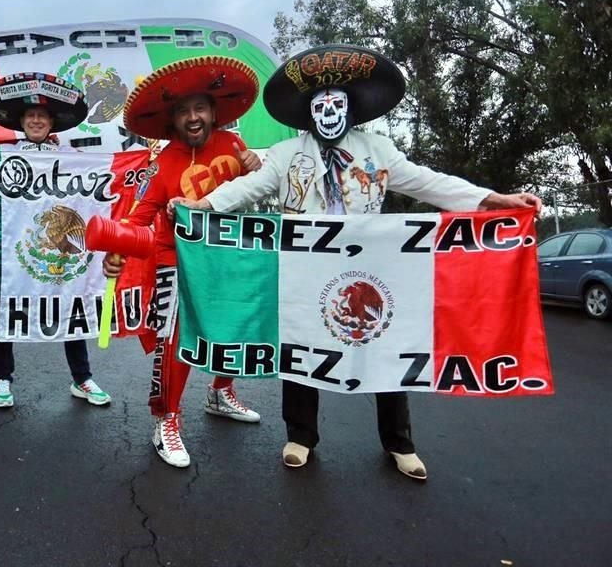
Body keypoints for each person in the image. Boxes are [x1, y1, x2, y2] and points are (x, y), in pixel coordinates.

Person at [170, 44, 543, 480]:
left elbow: (428, 183)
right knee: (301, 350)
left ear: (351, 108)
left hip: (370, 269)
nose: (329, 112)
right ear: (308, 113)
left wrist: (492, 199)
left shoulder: (378, 150)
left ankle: (399, 443)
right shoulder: (285, 155)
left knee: (385, 344)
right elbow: (246, 190)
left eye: (337, 104)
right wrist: (200, 205)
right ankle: (301, 436)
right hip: (306, 272)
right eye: (320, 105)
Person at [102, 56, 265, 468]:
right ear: (173, 120)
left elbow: (256, 191)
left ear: (213, 113)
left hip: (227, 257)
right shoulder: (163, 165)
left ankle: (220, 392)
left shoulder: (233, 145)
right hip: (177, 262)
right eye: (182, 111)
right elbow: (138, 218)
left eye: (200, 108)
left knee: (234, 330)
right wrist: (116, 250)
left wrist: (257, 166)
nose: (193, 117)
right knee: (174, 341)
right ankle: (166, 419)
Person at [0, 72, 111, 408]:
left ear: (51, 122)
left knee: (72, 301)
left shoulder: (71, 158)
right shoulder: (3, 155)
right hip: (15, 248)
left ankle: (82, 379)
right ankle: (1, 380)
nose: (36, 120)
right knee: (7, 309)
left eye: (42, 116)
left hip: (61, 249)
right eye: (30, 116)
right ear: (20, 122)